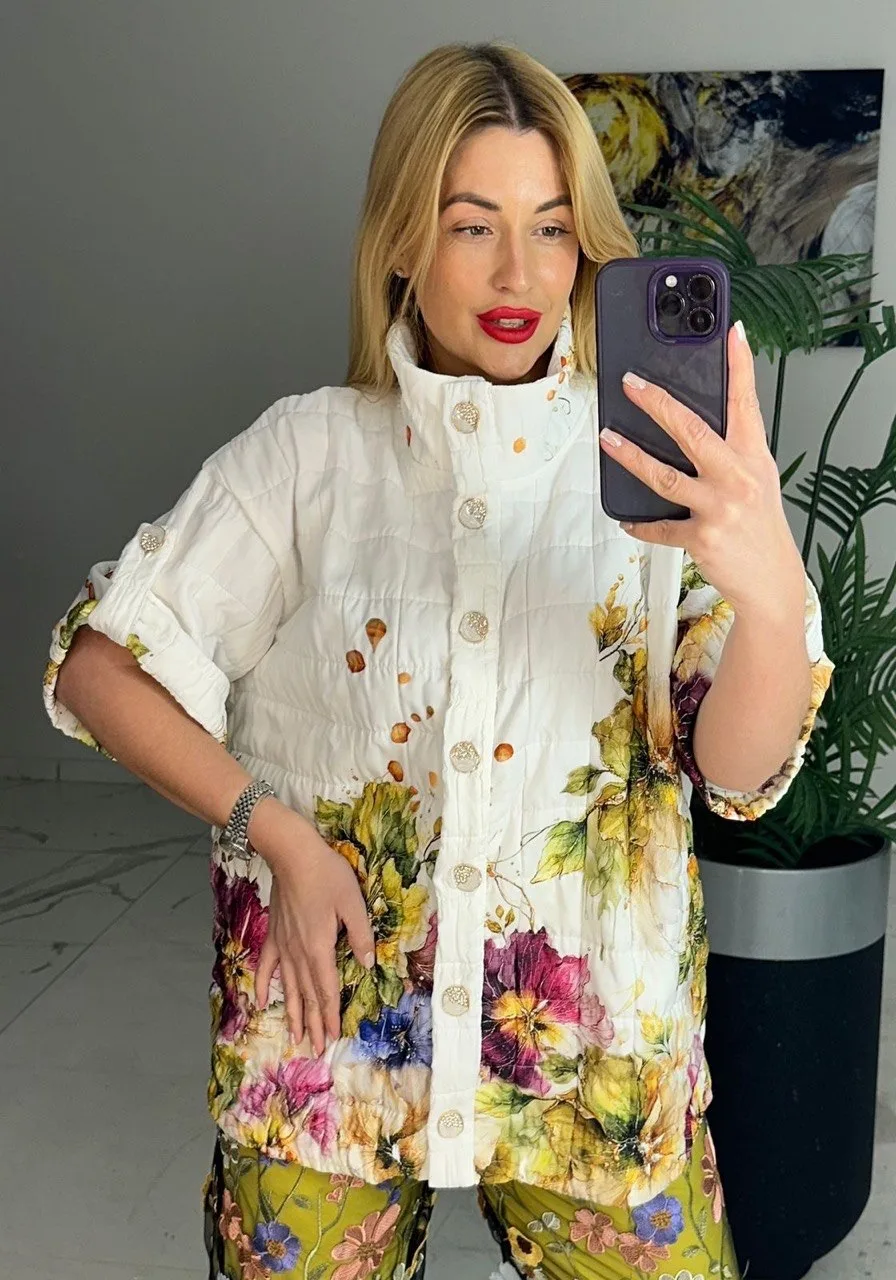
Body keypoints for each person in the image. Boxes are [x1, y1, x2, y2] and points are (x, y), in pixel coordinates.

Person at [43, 40, 833, 1280]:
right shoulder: (306, 457)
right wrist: (274, 830)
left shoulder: (667, 479)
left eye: (551, 227)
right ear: (403, 241)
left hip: (596, 1070)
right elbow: (100, 667)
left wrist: (769, 593)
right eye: (472, 226)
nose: (518, 272)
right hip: (323, 1055)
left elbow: (734, 769)